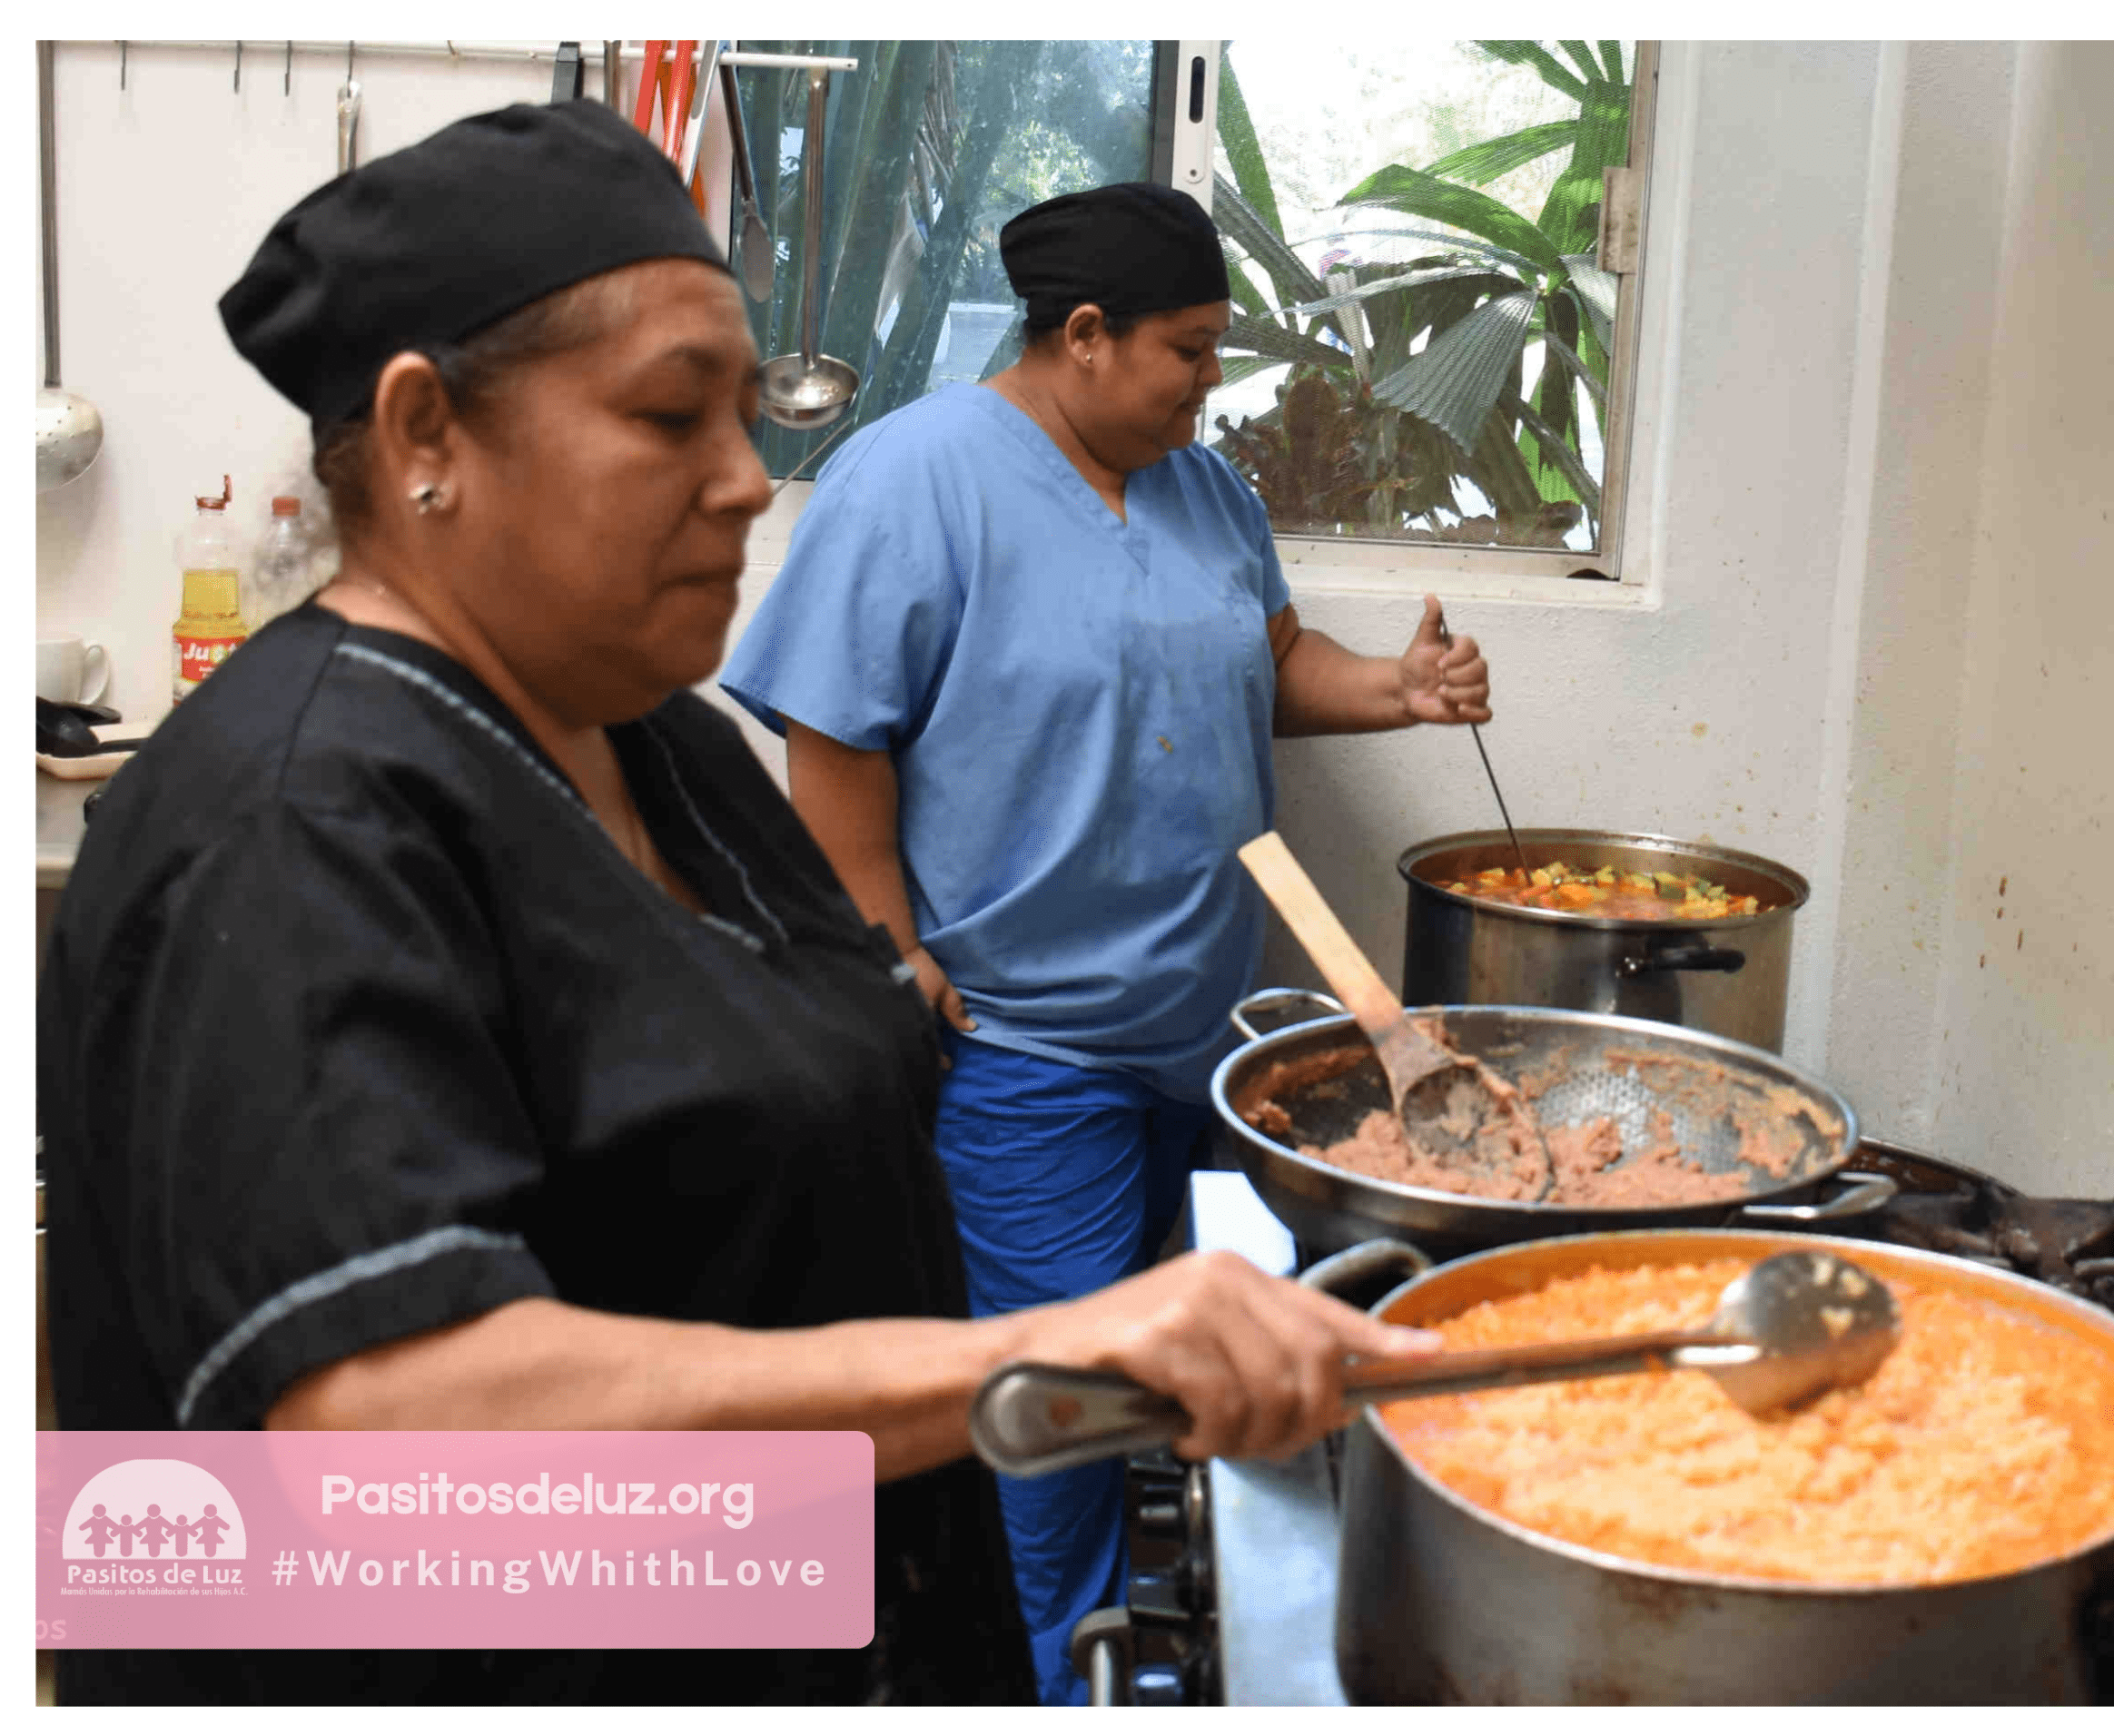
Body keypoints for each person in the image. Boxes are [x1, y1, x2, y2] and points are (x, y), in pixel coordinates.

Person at [36, 103, 1436, 1709]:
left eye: (746, 415)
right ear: (427, 436)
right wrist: (1033, 1354)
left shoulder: (660, 745)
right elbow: (381, 1430)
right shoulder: (296, 821)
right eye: (668, 417)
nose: (747, 485)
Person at [717, 181, 1493, 1702]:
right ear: (1083, 335)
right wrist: (885, 944)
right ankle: (1041, 1688)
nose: (1213, 380)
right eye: (1189, 350)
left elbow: (1268, 662)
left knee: (1175, 1395)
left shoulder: (1204, 489)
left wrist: (1396, 690)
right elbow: (836, 733)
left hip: (1202, 1045)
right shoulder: (916, 479)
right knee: (1057, 1413)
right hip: (1025, 1050)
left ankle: (1136, 1657)